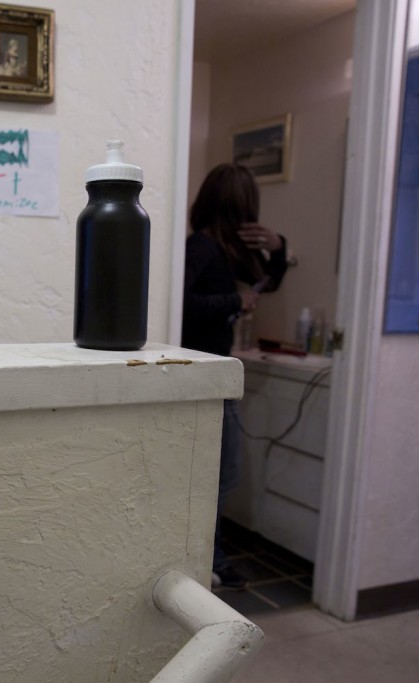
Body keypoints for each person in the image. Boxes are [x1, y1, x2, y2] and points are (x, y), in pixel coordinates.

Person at [181, 163, 288, 589]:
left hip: (216, 373)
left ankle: (213, 557)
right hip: (204, 376)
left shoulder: (225, 248)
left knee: (218, 476)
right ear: (240, 204)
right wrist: (234, 300)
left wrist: (278, 247)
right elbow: (180, 305)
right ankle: (209, 558)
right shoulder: (202, 248)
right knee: (221, 477)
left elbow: (270, 280)